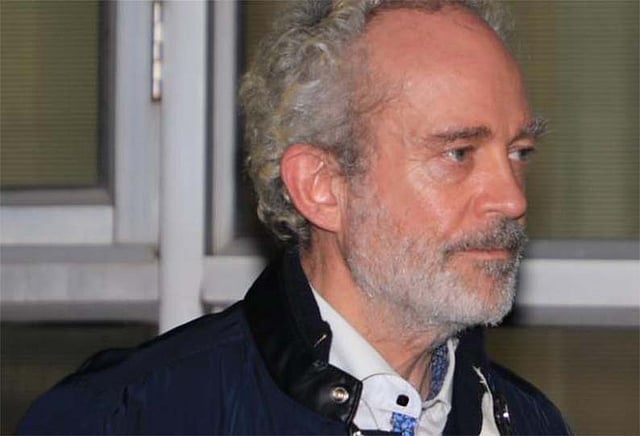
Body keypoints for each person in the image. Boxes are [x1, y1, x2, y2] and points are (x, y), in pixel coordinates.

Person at [19, 1, 571, 434]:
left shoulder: (528, 422)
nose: (511, 198)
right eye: (458, 153)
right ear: (321, 187)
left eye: (519, 152)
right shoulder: (128, 418)